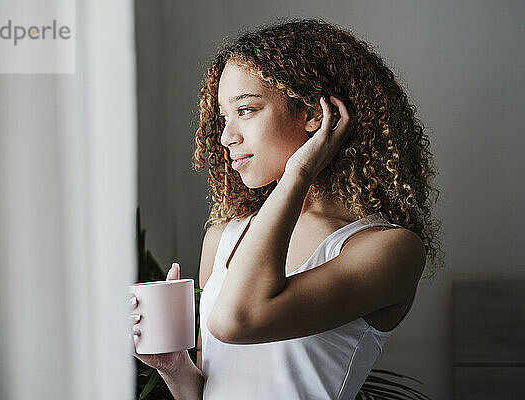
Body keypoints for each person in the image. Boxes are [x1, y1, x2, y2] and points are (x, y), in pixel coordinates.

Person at [131, 18, 443, 400]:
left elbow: (237, 320)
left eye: (245, 110)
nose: (227, 137)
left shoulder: (389, 249)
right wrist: (175, 367)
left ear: (314, 114)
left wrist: (300, 171)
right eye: (223, 118)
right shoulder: (224, 235)